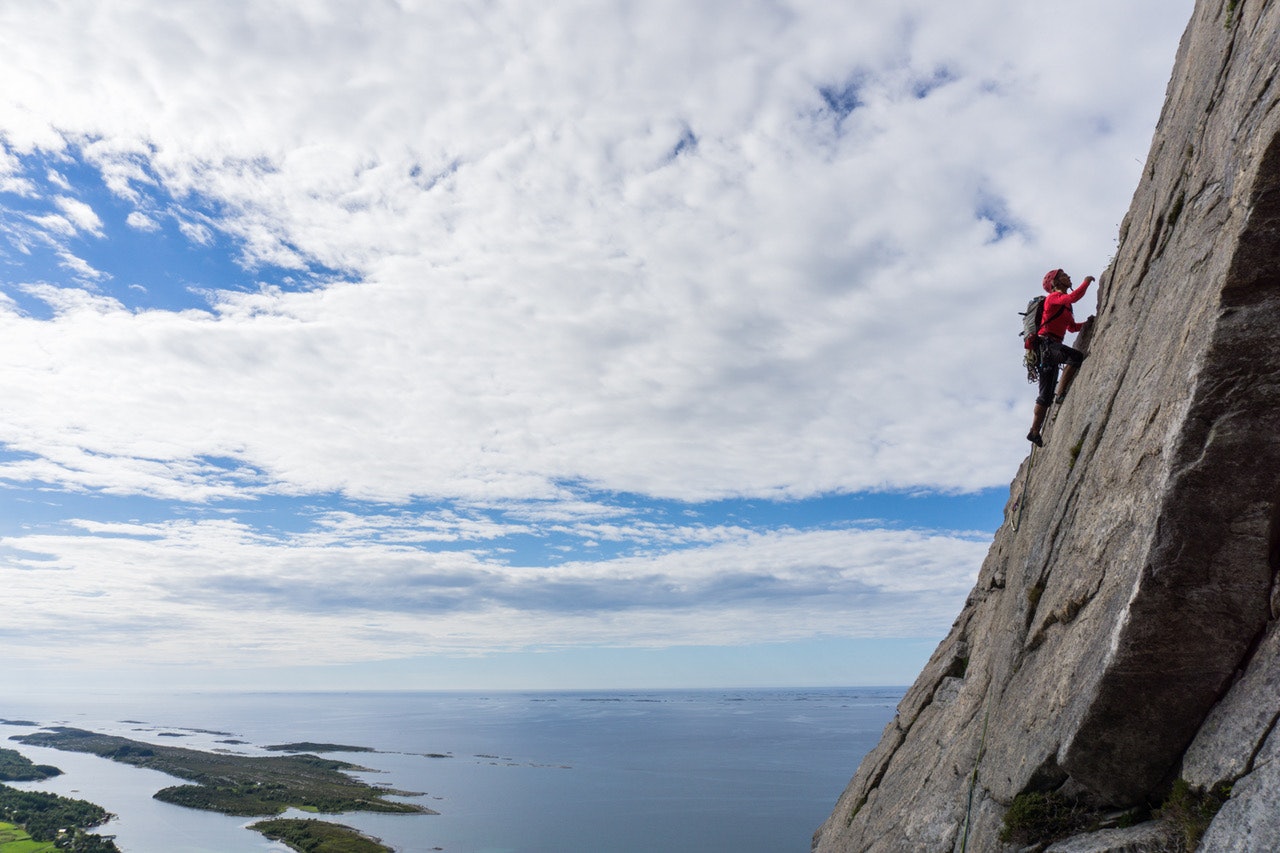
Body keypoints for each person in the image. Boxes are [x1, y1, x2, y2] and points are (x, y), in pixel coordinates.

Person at [1027, 269, 1094, 447]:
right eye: (1064, 275)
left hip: (1051, 348)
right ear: (1055, 283)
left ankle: (1034, 432)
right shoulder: (1053, 299)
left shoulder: (1065, 305)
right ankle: (1061, 394)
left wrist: (1087, 324)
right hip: (1047, 345)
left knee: (1045, 396)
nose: (1069, 277)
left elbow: (1071, 327)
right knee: (1075, 357)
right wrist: (1086, 282)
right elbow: (1072, 297)